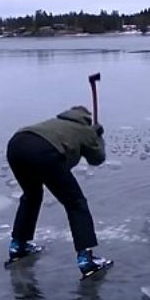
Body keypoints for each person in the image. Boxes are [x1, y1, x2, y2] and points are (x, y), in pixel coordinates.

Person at [6, 105, 112, 278]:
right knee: (75, 203)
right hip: (44, 151)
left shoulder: (56, 122)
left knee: (31, 195)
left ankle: (18, 246)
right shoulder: (84, 129)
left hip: (17, 145)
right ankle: (86, 259)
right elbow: (97, 158)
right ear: (86, 119)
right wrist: (97, 137)